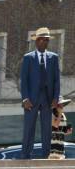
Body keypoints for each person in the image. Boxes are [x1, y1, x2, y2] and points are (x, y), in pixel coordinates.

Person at [20, 27, 61, 160]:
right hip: (31, 99)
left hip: (48, 99)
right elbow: (24, 80)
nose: (45, 42)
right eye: (42, 39)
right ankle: (25, 155)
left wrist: (56, 97)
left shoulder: (54, 58)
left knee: (46, 130)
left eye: (47, 40)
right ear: (36, 41)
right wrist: (25, 98)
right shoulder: (28, 58)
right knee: (29, 128)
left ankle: (46, 155)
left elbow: (56, 80)